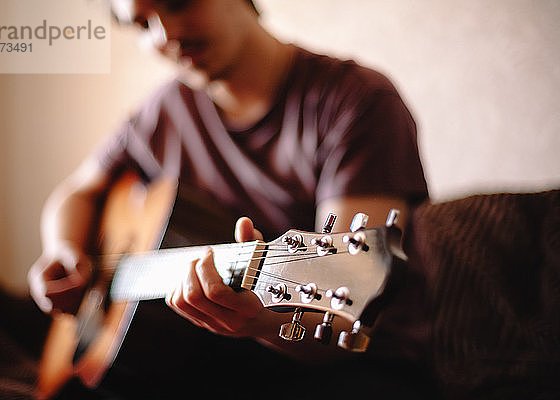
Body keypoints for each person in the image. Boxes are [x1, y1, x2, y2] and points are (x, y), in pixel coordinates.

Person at [28, 0, 429, 396]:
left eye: (178, 3)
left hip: (354, 364)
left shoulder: (357, 102)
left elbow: (342, 309)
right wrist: (62, 250)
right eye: (142, 23)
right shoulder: (164, 111)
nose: (165, 35)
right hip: (211, 359)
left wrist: (262, 324)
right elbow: (78, 191)